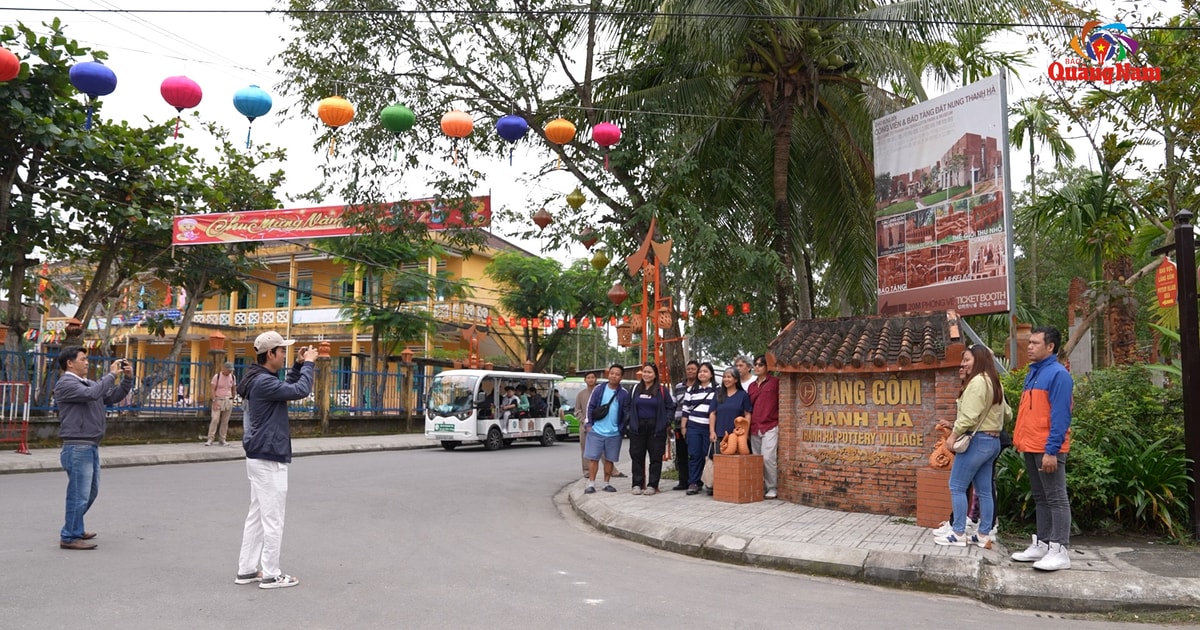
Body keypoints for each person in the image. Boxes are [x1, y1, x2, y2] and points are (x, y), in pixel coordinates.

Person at [234, 331, 317, 589]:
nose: (284, 355)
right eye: (282, 352)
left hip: (260, 454)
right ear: (270, 354)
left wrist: (298, 366)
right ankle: (271, 574)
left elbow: (287, 389)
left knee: (258, 515)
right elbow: (300, 390)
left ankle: (247, 569)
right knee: (273, 518)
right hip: (269, 456)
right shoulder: (263, 383)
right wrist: (311, 364)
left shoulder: (260, 379)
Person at [55, 347, 134, 550]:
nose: (87, 362)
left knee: (90, 492)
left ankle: (75, 528)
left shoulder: (87, 383)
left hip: (90, 444)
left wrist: (127, 378)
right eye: (83, 359)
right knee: (79, 494)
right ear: (70, 363)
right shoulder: (65, 383)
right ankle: (70, 536)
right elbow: (92, 394)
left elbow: (112, 396)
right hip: (77, 446)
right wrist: (110, 374)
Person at [1011, 326, 1075, 571]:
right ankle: (1043, 543)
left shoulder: (1058, 375)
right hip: (1032, 446)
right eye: (1029, 342)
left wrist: (1051, 450)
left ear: (1050, 347)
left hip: (1048, 448)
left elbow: (1061, 417)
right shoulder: (1033, 374)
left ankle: (1060, 549)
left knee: (1057, 497)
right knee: (1041, 497)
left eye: (1035, 343)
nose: (1029, 346)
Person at [933, 345, 1007, 549]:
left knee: (956, 486)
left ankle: (957, 532)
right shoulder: (995, 382)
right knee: (984, 490)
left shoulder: (977, 382)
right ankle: (984, 534)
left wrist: (953, 436)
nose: (963, 363)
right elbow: (1007, 413)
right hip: (993, 442)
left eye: (967, 359)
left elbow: (968, 417)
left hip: (977, 442)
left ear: (979, 359)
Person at [626, 363, 675, 496]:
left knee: (655, 458)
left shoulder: (662, 390)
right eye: (645, 372)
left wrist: (667, 421)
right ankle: (637, 484)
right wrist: (629, 419)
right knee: (637, 457)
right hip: (638, 427)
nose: (646, 375)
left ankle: (652, 485)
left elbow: (670, 407)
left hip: (656, 429)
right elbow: (627, 405)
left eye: (650, 372)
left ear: (655, 375)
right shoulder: (636, 388)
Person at [583, 364, 631, 494]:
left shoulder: (624, 393)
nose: (614, 376)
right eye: (612, 373)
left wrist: (622, 428)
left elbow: (627, 413)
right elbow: (590, 406)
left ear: (621, 377)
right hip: (596, 430)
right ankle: (591, 483)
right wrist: (589, 425)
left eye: (617, 374)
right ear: (608, 374)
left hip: (614, 433)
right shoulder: (599, 389)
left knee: (610, 459)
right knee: (593, 458)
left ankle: (606, 483)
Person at [709, 366, 752, 495]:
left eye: (729, 377)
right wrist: (712, 431)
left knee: (734, 462)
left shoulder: (742, 395)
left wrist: (746, 432)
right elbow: (712, 413)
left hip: (737, 435)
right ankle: (717, 486)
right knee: (718, 461)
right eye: (724, 377)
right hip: (720, 433)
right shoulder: (718, 394)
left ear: (735, 379)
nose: (726, 379)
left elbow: (747, 414)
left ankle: (733, 487)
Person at [747, 355, 779, 499]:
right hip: (754, 426)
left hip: (770, 424)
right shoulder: (751, 386)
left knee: (768, 458)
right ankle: (761, 486)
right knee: (757, 459)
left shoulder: (775, 383)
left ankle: (772, 487)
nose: (757, 367)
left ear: (767, 367)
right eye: (755, 364)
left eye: (760, 364)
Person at [682, 362, 717, 495]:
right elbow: (686, 410)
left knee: (708, 455)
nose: (702, 374)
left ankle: (710, 483)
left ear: (711, 374)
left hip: (709, 428)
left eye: (705, 371)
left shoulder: (717, 389)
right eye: (700, 371)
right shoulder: (691, 390)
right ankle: (694, 482)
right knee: (694, 455)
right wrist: (684, 427)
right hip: (693, 427)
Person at [670, 361, 699, 490]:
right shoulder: (678, 387)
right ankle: (683, 481)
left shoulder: (701, 386)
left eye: (693, 369)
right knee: (681, 454)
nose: (690, 371)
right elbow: (673, 404)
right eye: (688, 369)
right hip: (678, 425)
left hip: (695, 425)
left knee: (695, 454)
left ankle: (696, 480)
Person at [574, 372, 599, 476]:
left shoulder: (599, 393)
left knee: (601, 448)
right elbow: (577, 410)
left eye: (592, 377)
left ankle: (611, 469)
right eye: (588, 378)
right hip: (584, 425)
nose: (590, 379)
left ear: (596, 379)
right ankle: (587, 471)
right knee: (584, 448)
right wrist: (584, 420)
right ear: (585, 380)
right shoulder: (581, 394)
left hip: (598, 425)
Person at [207, 361, 237, 447]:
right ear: (224, 368)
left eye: (231, 370)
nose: (230, 372)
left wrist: (233, 398)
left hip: (228, 399)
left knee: (225, 421)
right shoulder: (217, 376)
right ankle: (210, 438)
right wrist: (214, 401)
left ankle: (222, 439)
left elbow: (234, 388)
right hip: (218, 399)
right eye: (228, 370)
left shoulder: (233, 377)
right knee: (215, 419)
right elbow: (212, 389)